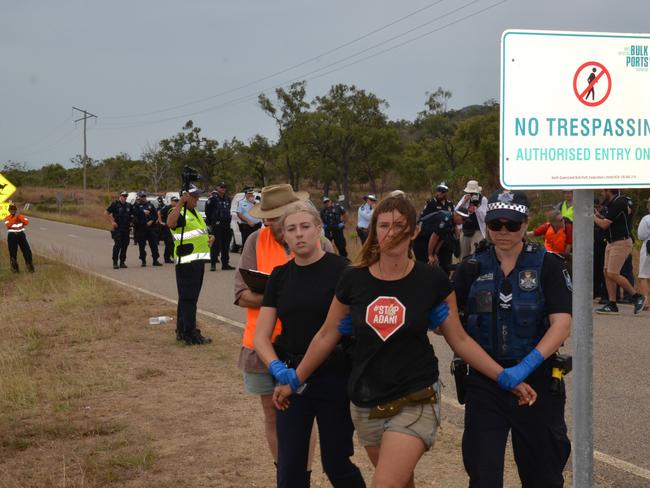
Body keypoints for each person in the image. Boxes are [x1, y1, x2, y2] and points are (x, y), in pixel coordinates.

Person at [274, 195, 536, 488]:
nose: (391, 232)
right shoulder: (353, 279)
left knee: (385, 484)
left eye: (400, 225)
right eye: (384, 225)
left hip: (416, 397)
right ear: (374, 229)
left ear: (414, 231)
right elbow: (325, 335)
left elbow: (460, 340)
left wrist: (506, 377)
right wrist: (294, 379)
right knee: (400, 482)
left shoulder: (432, 280)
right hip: (366, 400)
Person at [453, 189, 573, 487]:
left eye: (512, 224)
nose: (503, 232)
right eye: (496, 225)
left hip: (537, 381)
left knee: (542, 475)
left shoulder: (550, 266)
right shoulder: (470, 267)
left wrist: (524, 368)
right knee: (483, 475)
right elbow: (451, 326)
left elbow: (561, 324)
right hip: (484, 382)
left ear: (526, 223)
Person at [253, 201, 365, 488]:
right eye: (291, 229)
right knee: (289, 467)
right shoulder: (280, 275)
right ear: (284, 236)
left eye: (305, 227)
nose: (299, 234)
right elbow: (261, 336)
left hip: (333, 377)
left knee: (336, 463)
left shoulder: (344, 271)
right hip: (291, 381)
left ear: (319, 230)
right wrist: (277, 368)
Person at [234, 184, 331, 469]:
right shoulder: (255, 241)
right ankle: (283, 472)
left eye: (274, 218)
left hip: (308, 349)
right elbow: (241, 295)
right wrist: (278, 296)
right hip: (263, 349)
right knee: (272, 414)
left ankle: (304, 472)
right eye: (265, 219)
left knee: (305, 413)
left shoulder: (320, 242)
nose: (269, 224)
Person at [166, 185, 214, 345]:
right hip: (186, 262)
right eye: (194, 196)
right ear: (185, 197)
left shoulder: (195, 213)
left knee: (187, 298)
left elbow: (199, 232)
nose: (197, 199)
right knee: (189, 299)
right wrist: (180, 203)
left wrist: (209, 238)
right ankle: (190, 334)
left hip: (197, 261)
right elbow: (170, 223)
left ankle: (182, 330)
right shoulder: (179, 211)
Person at [594, 189, 646, 314]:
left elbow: (604, 225)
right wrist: (598, 216)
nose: (601, 193)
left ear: (608, 191)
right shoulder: (612, 202)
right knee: (607, 272)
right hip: (611, 242)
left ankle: (637, 296)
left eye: (603, 190)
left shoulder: (619, 203)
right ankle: (612, 304)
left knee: (612, 273)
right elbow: (610, 219)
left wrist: (591, 217)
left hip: (621, 242)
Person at [455, 180, 488, 260]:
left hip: (477, 230)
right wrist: (464, 201)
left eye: (473, 193)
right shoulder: (465, 197)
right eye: (470, 192)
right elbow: (456, 211)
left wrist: (477, 208)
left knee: (475, 254)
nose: (472, 194)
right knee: (463, 255)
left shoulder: (483, 199)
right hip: (465, 229)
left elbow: (485, 217)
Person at [206, 182, 234, 271]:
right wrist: (212, 222)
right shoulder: (213, 199)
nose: (223, 189)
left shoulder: (227, 198)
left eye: (224, 187)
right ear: (217, 188)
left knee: (225, 245)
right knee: (215, 245)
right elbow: (208, 211)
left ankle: (225, 264)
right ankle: (213, 264)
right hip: (217, 224)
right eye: (221, 187)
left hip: (226, 224)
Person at [424, 210, 463, 274]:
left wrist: (435, 253)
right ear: (456, 215)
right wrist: (430, 255)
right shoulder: (445, 220)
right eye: (463, 219)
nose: (463, 222)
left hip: (430, 237)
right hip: (422, 236)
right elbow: (434, 237)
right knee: (427, 263)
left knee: (436, 262)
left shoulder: (452, 223)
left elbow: (442, 238)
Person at [104, 190, 133, 269]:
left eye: (126, 196)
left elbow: (132, 215)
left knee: (125, 245)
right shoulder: (115, 204)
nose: (125, 197)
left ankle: (122, 262)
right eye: (123, 196)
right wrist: (112, 222)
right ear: (120, 196)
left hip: (126, 229)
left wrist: (131, 223)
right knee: (117, 245)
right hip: (118, 228)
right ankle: (115, 262)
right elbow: (106, 213)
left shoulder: (128, 205)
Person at [132, 192, 161, 267]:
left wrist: (152, 221)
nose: (144, 198)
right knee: (142, 246)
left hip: (150, 228)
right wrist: (142, 211)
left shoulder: (150, 205)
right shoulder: (136, 206)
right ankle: (143, 260)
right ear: (139, 198)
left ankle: (155, 260)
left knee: (154, 244)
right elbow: (134, 213)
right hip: (141, 228)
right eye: (142, 196)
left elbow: (155, 215)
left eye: (144, 196)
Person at [4, 203, 34, 273]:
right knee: (13, 252)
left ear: (16, 210)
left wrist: (18, 216)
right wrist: (15, 217)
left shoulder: (21, 216)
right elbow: (9, 225)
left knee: (27, 251)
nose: (13, 211)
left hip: (21, 235)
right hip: (12, 236)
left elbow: (26, 222)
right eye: (11, 210)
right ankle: (14, 268)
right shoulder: (7, 218)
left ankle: (29, 266)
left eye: (14, 210)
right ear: (9, 210)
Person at [637, 197, 650, 312]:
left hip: (648, 247)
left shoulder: (646, 219)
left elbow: (641, 235)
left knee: (644, 275)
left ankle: (646, 302)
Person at [158, 195, 178, 264]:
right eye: (174, 201)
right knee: (170, 243)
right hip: (166, 228)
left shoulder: (176, 208)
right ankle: (172, 256)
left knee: (169, 244)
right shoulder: (167, 207)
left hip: (172, 228)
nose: (176, 202)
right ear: (171, 201)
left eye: (177, 201)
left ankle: (167, 258)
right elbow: (159, 212)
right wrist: (160, 222)